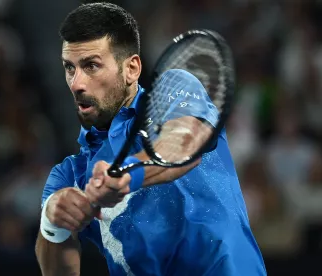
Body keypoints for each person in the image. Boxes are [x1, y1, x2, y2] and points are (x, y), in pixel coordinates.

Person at [35, 2, 267, 276]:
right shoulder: (69, 175)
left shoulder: (174, 90)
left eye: (91, 66)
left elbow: (185, 142)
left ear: (131, 69)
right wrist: (53, 224)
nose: (76, 84)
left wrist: (126, 175)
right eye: (69, 68)